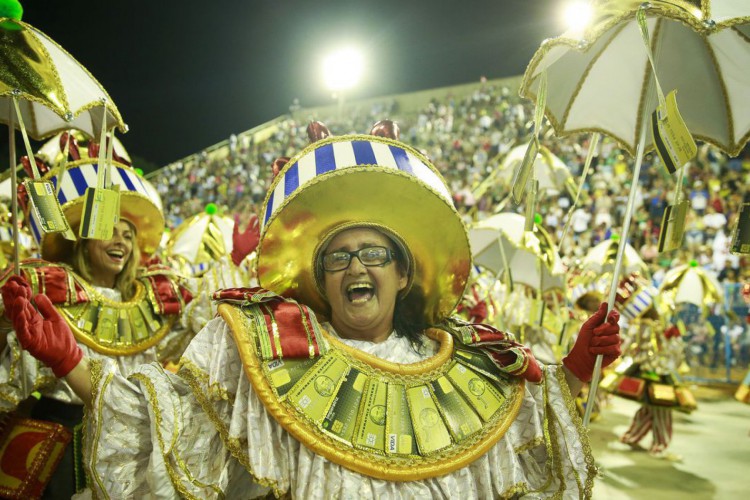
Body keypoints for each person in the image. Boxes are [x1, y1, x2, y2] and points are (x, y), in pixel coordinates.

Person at [3, 122, 621, 498]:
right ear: (318, 281)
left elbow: (526, 444)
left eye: (375, 252)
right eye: (338, 256)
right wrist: (68, 359)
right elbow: (161, 421)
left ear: (404, 274)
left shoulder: (470, 362)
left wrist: (572, 372)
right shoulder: (262, 347)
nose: (356, 267)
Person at [0, 133, 258, 499]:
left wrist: (232, 262)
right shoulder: (53, 292)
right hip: (64, 440)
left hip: (132, 434)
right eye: (108, 231)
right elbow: (17, 374)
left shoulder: (153, 299)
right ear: (85, 241)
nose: (120, 241)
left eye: (128, 234)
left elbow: (200, 324)